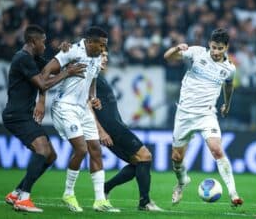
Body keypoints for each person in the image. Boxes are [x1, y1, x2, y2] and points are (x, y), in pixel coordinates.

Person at [3, 25, 86, 212]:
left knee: (50, 156)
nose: (45, 45)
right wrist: (67, 73)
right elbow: (43, 83)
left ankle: (16, 193)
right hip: (16, 116)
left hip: (24, 115)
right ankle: (24, 199)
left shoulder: (32, 58)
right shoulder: (22, 58)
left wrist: (66, 53)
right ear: (33, 42)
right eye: (43, 41)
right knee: (41, 150)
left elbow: (53, 69)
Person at [41, 26, 119, 212]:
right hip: (65, 106)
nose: (103, 49)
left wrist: (92, 97)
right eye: (100, 45)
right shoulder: (71, 51)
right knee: (81, 149)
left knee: (96, 150)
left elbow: (91, 80)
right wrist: (41, 101)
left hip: (83, 107)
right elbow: (45, 71)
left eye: (105, 46)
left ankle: (100, 201)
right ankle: (68, 194)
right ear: (89, 42)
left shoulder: (97, 56)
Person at [163, 28, 243, 206]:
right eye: (213, 47)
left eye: (220, 48)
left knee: (217, 150)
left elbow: (228, 86)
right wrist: (177, 48)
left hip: (207, 114)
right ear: (209, 44)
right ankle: (182, 182)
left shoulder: (229, 68)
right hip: (184, 113)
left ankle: (233, 193)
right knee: (176, 158)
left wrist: (227, 104)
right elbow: (167, 57)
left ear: (226, 47)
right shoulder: (197, 53)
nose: (215, 52)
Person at [90, 51, 163, 211]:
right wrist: (101, 131)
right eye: (102, 55)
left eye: (107, 55)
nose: (106, 59)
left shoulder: (97, 77)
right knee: (145, 156)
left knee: (137, 162)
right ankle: (145, 202)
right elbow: (86, 105)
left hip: (115, 126)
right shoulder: (90, 77)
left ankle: (105, 188)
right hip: (111, 128)